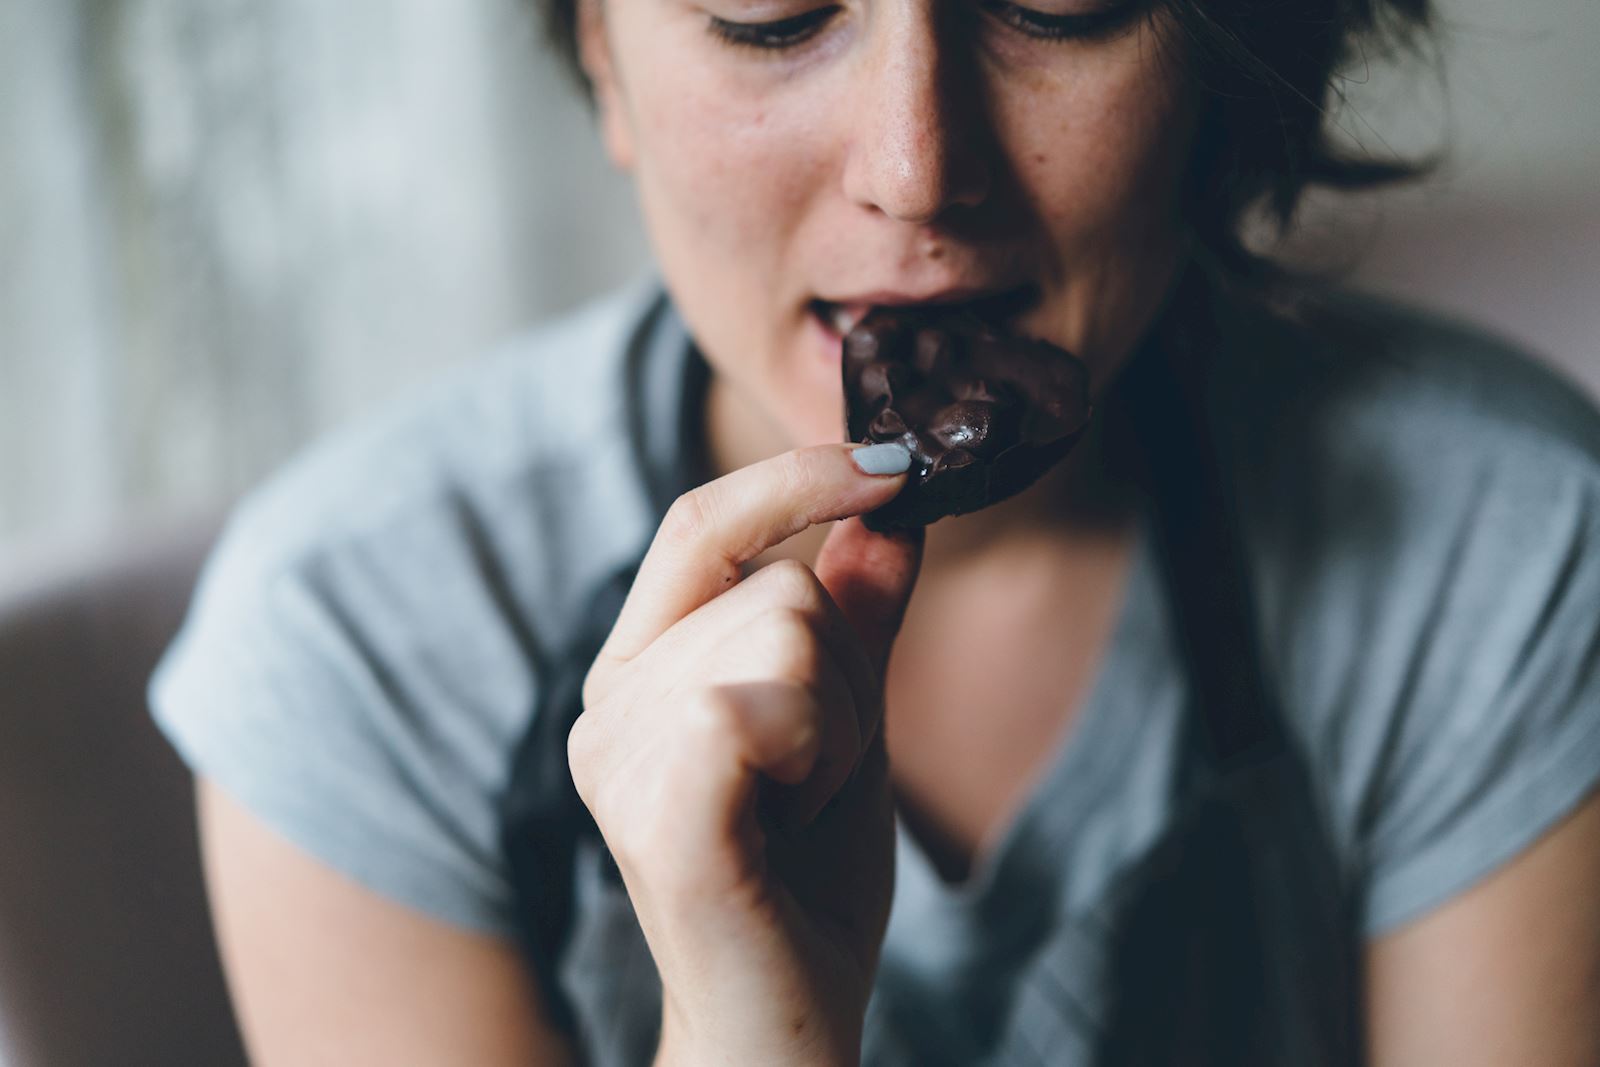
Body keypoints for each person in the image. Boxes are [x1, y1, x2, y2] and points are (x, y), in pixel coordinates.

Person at [149, 0, 1600, 1062]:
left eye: (1060, 8)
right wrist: (745, 1031)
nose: (917, 167)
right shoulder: (356, 641)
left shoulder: (1511, 551)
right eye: (771, 17)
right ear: (601, 50)